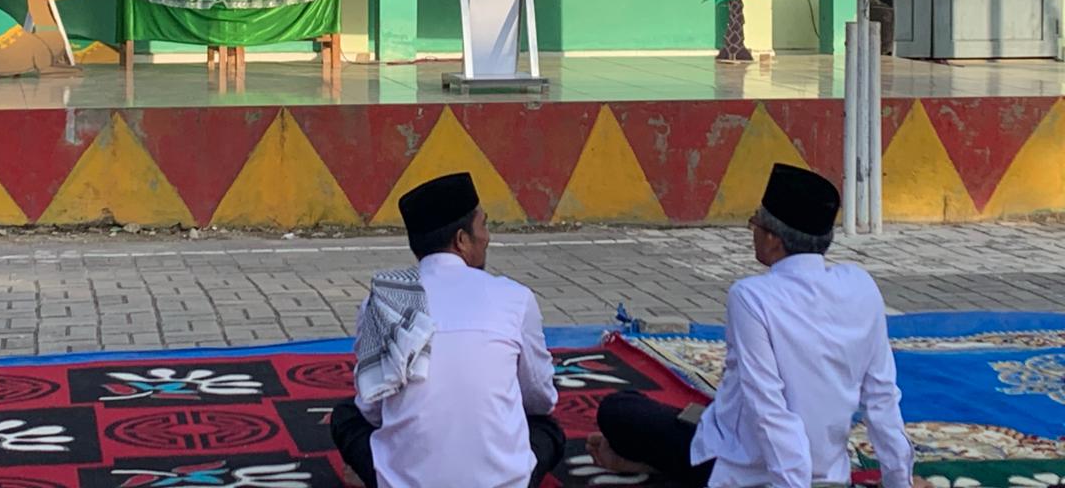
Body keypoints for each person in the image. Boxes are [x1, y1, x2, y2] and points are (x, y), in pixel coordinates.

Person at [588, 163, 918, 488]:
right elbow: (882, 396)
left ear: (774, 239)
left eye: (756, 223)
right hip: (829, 469)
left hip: (745, 468)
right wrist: (899, 480)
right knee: (699, 416)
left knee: (620, 410)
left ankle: (653, 461)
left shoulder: (752, 297)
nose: (754, 232)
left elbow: (768, 407)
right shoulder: (860, 285)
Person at [330, 172, 565, 488]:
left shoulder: (382, 300)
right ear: (461, 239)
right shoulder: (514, 297)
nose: (488, 237)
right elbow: (541, 399)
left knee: (345, 415)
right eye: (484, 225)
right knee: (547, 429)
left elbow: (371, 410)